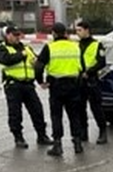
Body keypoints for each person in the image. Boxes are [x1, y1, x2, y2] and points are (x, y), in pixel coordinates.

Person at [0, 26, 52, 149]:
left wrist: (40, 80)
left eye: (18, 35)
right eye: (15, 35)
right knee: (15, 113)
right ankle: (18, 137)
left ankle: (42, 136)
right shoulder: (2, 49)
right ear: (8, 35)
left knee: (37, 110)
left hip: (28, 85)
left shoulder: (27, 48)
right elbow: (6, 60)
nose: (17, 37)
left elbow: (37, 65)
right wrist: (21, 55)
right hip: (13, 85)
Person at [35, 22, 85, 156]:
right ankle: (78, 143)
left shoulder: (50, 47)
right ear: (65, 33)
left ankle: (57, 145)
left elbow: (39, 66)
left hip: (56, 86)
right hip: (73, 85)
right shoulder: (75, 47)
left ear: (54, 34)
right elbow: (83, 67)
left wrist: (40, 81)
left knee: (56, 116)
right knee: (74, 115)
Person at [74, 20, 109, 145]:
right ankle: (84, 133)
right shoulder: (76, 45)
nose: (77, 33)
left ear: (87, 30)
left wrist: (89, 72)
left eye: (79, 30)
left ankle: (103, 132)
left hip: (92, 80)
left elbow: (102, 62)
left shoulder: (97, 45)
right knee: (80, 108)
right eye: (76, 30)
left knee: (96, 108)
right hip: (79, 81)